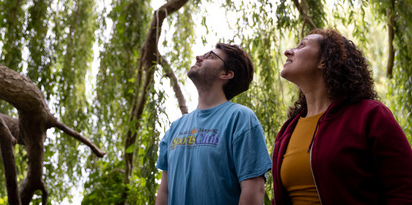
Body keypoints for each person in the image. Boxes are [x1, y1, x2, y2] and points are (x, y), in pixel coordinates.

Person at [272, 29, 412, 205]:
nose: (288, 51)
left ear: (324, 60)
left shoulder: (370, 115)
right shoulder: (287, 130)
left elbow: (405, 192)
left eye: (302, 45)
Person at [155, 43, 272, 205]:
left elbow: (253, 191)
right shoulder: (175, 127)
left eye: (210, 56)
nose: (198, 57)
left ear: (226, 74)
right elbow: (164, 191)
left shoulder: (241, 119)